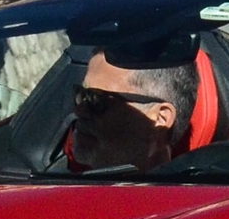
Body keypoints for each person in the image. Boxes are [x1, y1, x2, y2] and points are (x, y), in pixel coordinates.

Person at [71, 51, 201, 172]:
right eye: (82, 94)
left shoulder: (169, 196)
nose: (80, 110)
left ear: (161, 118)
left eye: (98, 100)